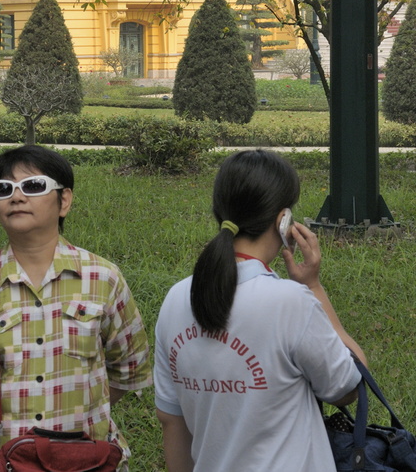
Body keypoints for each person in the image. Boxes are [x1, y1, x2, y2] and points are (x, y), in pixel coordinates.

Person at [154, 149, 366, 472]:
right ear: (283, 221)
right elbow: (349, 386)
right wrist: (314, 287)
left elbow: (172, 423)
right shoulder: (291, 302)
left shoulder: (175, 299)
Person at [0, 145, 152, 472]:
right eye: (4, 189)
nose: (16, 197)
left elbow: (129, 369)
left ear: (64, 201)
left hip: (85, 461)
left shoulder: (102, 279)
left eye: (33, 186)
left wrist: (79, 415)